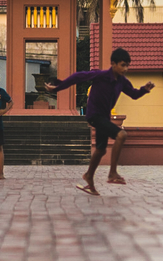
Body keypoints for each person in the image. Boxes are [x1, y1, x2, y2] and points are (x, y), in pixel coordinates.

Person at [46, 48, 154, 196]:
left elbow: (133, 94)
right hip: (94, 115)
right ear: (113, 64)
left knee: (101, 149)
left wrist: (144, 90)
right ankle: (112, 173)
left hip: (104, 117)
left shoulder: (122, 82)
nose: (125, 69)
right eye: (122, 65)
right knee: (121, 135)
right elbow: (78, 77)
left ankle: (89, 177)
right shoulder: (101, 75)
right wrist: (58, 87)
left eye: (127, 65)